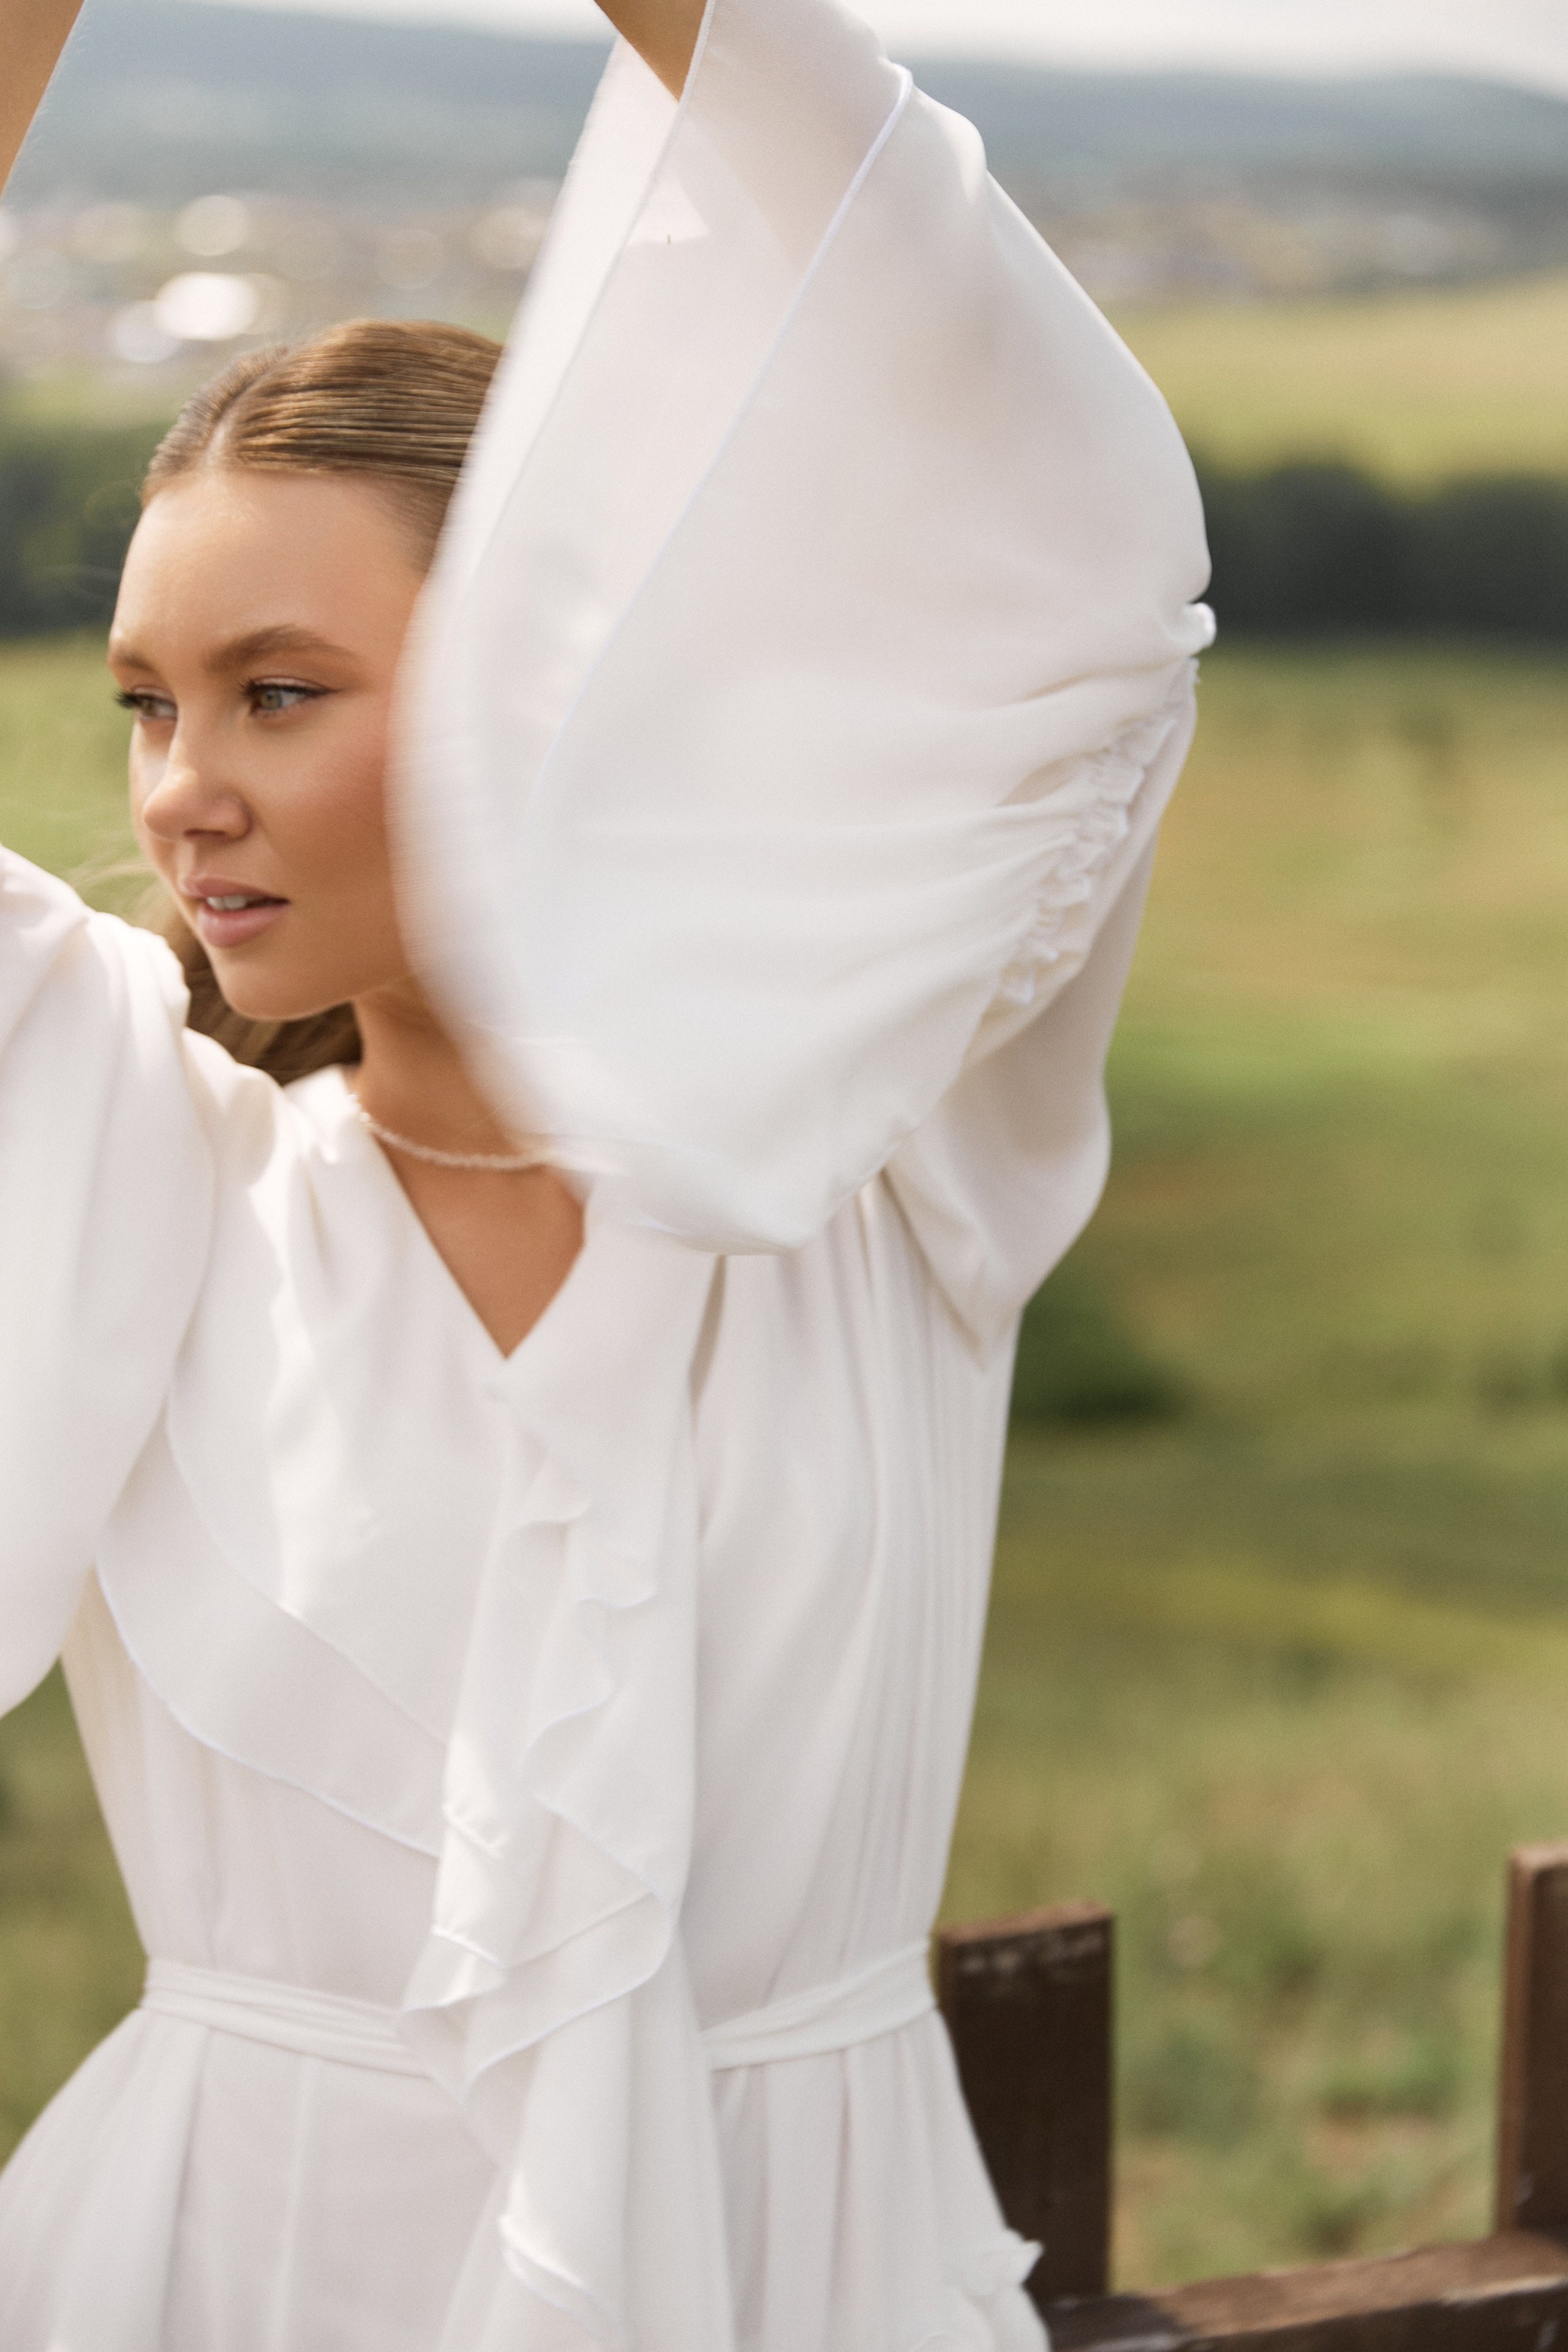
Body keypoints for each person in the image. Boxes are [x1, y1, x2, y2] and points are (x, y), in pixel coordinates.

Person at [0, 0, 1213, 2344]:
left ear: (544, 701)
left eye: (280, 690)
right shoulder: (126, 1159)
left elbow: (1073, 558)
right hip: (217, 2281)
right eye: (146, 702)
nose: (179, 795)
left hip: (803, 2274)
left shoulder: (878, 1170)